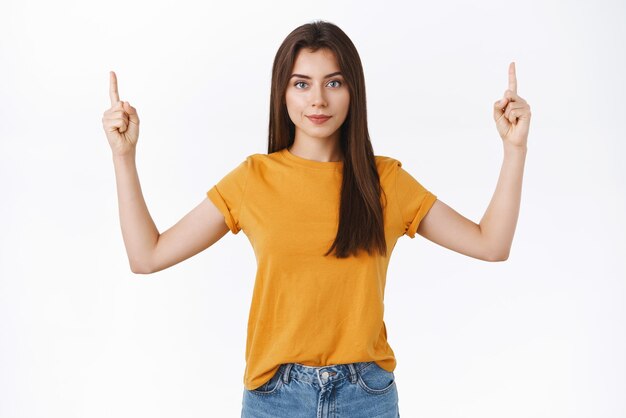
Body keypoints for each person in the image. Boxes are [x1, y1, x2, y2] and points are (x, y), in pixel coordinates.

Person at [102, 20, 531, 418]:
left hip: (366, 395)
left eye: (334, 82)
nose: (318, 99)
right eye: (302, 83)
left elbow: (491, 244)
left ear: (352, 91)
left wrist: (514, 149)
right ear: (283, 93)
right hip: (275, 397)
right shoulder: (254, 178)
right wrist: (124, 157)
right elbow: (147, 255)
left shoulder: (386, 182)